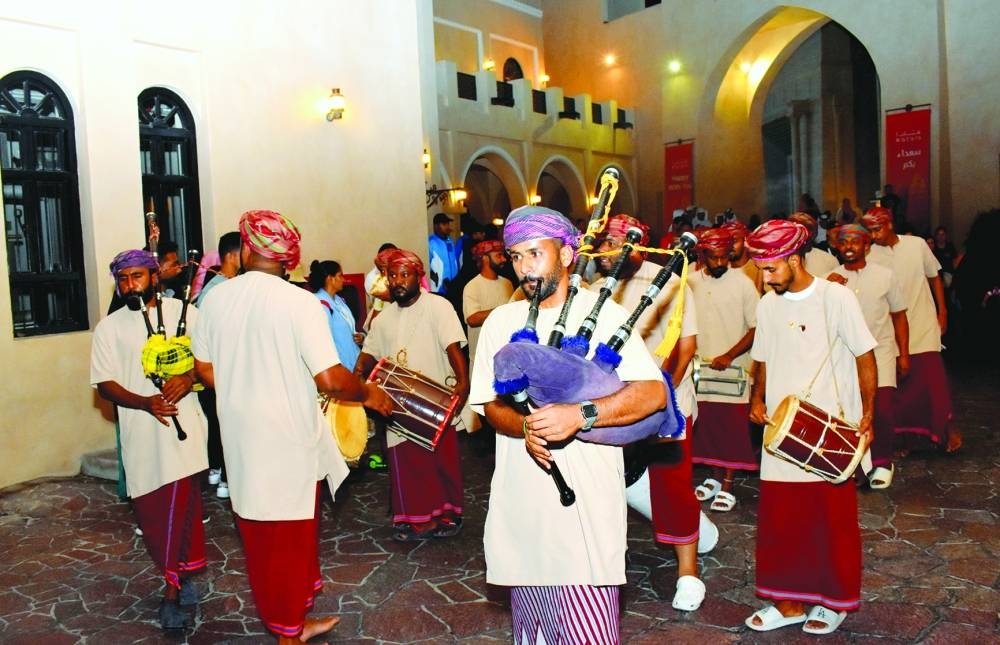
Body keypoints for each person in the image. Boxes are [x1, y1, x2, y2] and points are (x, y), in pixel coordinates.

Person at [191, 210, 393, 644]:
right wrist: (370, 394)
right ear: (289, 260)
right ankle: (288, 634)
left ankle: (294, 622)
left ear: (245, 249)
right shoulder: (299, 302)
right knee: (290, 535)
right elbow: (330, 378)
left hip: (242, 440)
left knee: (262, 534)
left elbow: (204, 369)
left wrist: (246, 382)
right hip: (288, 440)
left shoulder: (213, 300)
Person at [469, 206, 668, 643]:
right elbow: (486, 405)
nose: (524, 267)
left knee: (587, 631)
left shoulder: (607, 315)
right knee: (534, 632)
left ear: (567, 254)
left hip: (585, 508)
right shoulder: (502, 321)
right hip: (524, 506)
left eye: (535, 253)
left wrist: (580, 415)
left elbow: (654, 394)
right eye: (516, 256)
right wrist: (525, 428)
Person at [743, 219, 877, 635]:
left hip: (829, 430)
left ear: (795, 260)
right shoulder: (767, 304)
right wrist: (757, 398)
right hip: (781, 430)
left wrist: (868, 414)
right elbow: (762, 357)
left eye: (771, 269)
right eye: (761, 270)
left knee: (830, 520)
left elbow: (865, 357)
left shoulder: (835, 298)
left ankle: (831, 601)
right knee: (783, 521)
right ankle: (788, 603)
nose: (765, 279)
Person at [590, 213, 708, 611]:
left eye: (611, 243)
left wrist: (661, 401)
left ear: (636, 243)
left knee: (672, 486)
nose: (602, 252)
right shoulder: (595, 290)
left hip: (666, 405)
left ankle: (688, 574)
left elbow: (686, 348)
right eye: (600, 244)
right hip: (614, 409)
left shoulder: (672, 281)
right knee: (605, 486)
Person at [90, 249, 209, 630]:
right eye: (123, 279)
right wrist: (145, 402)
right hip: (141, 435)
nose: (130, 285)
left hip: (184, 429)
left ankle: (172, 590)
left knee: (182, 507)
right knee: (154, 513)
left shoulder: (186, 314)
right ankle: (180, 573)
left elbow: (211, 364)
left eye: (137, 277)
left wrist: (188, 377)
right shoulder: (108, 328)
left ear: (155, 277)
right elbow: (105, 384)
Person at [355, 249, 469, 541]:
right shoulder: (383, 318)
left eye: (404, 274)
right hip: (398, 402)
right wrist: (357, 374)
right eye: (392, 275)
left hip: (435, 400)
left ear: (418, 276)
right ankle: (414, 517)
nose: (398, 281)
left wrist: (463, 381)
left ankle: (448, 514)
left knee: (440, 462)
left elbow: (453, 347)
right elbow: (370, 352)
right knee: (405, 463)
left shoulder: (438, 306)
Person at [862, 207, 961, 453]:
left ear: (890, 224)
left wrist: (943, 311)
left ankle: (947, 430)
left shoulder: (916, 245)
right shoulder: (870, 255)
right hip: (892, 328)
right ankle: (904, 439)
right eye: (870, 231)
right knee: (902, 388)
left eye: (878, 229)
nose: (874, 236)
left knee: (934, 381)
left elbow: (934, 277)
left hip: (924, 322)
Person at [826, 224, 909, 488]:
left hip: (881, 351)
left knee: (881, 409)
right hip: (845, 355)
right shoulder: (828, 279)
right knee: (850, 412)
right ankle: (856, 464)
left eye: (855, 241)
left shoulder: (885, 275)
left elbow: (899, 316)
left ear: (867, 246)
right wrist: (828, 290)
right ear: (837, 248)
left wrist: (904, 355)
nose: (849, 246)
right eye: (844, 242)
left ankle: (883, 462)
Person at [687, 228, 758, 512]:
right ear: (702, 255)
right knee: (709, 428)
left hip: (734, 371)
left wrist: (729, 354)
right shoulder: (690, 283)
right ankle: (716, 478)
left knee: (731, 429)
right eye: (712, 258)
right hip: (701, 369)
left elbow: (756, 327)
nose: (718, 264)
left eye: (723, 258)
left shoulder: (743, 284)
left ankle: (728, 484)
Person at [195, 230, 241, 499]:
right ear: (231, 256)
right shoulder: (217, 290)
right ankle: (225, 475)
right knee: (223, 422)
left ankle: (219, 471)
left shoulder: (226, 284)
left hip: (224, 367)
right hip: (218, 368)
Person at [462, 239, 514, 446]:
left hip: (506, 354)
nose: (503, 259)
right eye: (498, 255)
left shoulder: (507, 283)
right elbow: (472, 317)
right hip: (482, 355)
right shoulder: (472, 286)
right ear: (484, 258)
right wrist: (502, 311)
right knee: (485, 403)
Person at [310, 260, 364, 372]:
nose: (343, 279)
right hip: (341, 367)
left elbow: (348, 329)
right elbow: (322, 342)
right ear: (330, 278)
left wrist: (360, 337)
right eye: (340, 276)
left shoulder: (339, 300)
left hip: (354, 362)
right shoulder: (320, 304)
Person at [787, 212, 839, 277]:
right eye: (792, 230)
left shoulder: (829, 260)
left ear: (814, 234)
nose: (797, 234)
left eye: (802, 230)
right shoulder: (779, 260)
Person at [722, 220, 764, 294]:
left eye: (734, 240)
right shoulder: (721, 269)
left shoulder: (759, 268)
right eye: (726, 242)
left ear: (745, 240)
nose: (729, 246)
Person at [428, 212, 461, 294]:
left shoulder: (450, 241)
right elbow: (426, 265)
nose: (447, 226)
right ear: (436, 226)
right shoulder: (431, 242)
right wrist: (437, 279)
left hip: (453, 286)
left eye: (448, 224)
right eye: (444, 224)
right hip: (439, 288)